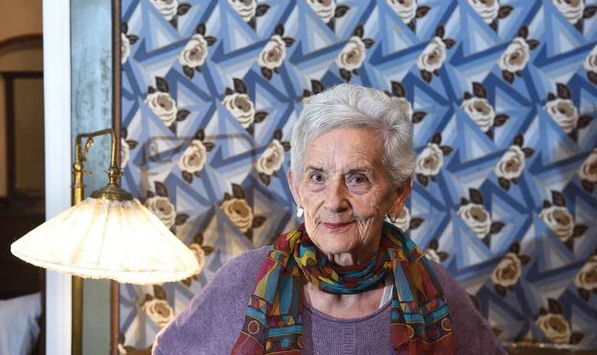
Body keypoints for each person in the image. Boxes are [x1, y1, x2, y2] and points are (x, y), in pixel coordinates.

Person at [152, 84, 506, 354]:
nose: (334, 202)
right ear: (296, 188)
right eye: (318, 177)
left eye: (358, 179)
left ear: (398, 193)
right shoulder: (242, 281)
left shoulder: (432, 290)